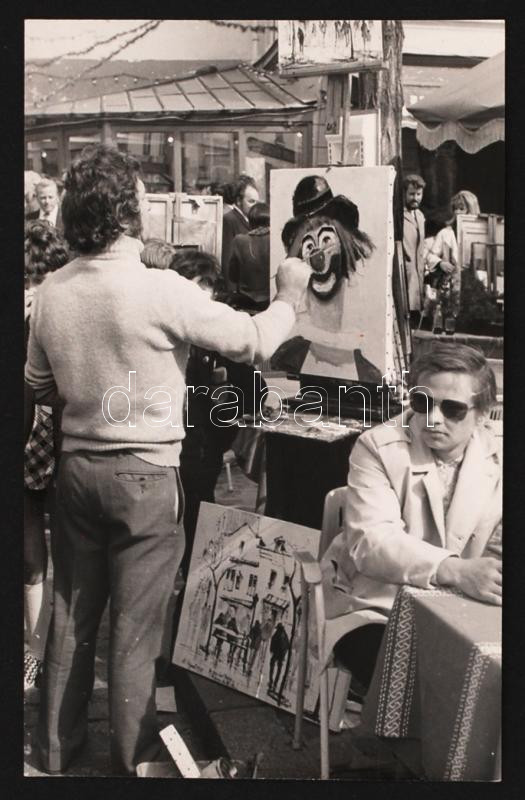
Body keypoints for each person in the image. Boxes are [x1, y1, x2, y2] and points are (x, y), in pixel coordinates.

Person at [24, 143, 310, 776]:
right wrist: (289, 294)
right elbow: (254, 341)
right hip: (147, 475)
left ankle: (54, 753)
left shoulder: (52, 290)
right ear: (133, 212)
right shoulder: (162, 289)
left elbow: (38, 384)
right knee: (136, 627)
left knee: (71, 615)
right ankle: (135, 762)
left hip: (75, 471)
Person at [321, 342, 502, 697]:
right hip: (377, 607)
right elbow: (372, 543)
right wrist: (459, 570)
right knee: (452, 681)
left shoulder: (498, 451)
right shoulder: (377, 446)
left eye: (452, 409)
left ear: (484, 415)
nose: (433, 418)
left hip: (469, 610)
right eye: (422, 402)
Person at [24, 221, 69, 692]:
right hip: (55, 427)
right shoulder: (59, 301)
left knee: (28, 537)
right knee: (55, 551)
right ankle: (43, 657)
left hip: (26, 426)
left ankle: (33, 655)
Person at [424, 190, 481, 333]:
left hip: (473, 290)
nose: (457, 212)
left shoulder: (480, 234)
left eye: (462, 208)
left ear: (471, 209)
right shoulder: (445, 233)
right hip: (449, 288)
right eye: (455, 208)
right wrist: (440, 263)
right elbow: (430, 255)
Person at [228, 201, 270, 313]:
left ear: (250, 221)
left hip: (246, 302)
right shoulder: (275, 240)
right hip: (271, 301)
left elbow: (232, 275)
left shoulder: (240, 240)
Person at [221, 175, 259, 287]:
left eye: (257, 202)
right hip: (238, 288)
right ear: (238, 201)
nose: (255, 207)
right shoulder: (229, 219)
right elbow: (227, 261)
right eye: (251, 202)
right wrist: (232, 291)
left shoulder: (250, 220)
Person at [402, 174, 427, 327]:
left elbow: (421, 248)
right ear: (404, 193)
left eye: (418, 194)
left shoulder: (420, 216)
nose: (415, 198)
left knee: (415, 321)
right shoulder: (398, 216)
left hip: (418, 277)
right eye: (411, 194)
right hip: (404, 275)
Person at [268, 622, 290, 693]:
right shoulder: (286, 635)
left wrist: (271, 650)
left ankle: (271, 681)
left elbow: (272, 641)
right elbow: (288, 646)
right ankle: (275, 683)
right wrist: (284, 654)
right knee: (279, 670)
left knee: (272, 665)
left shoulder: (277, 634)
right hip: (281, 656)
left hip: (276, 654)